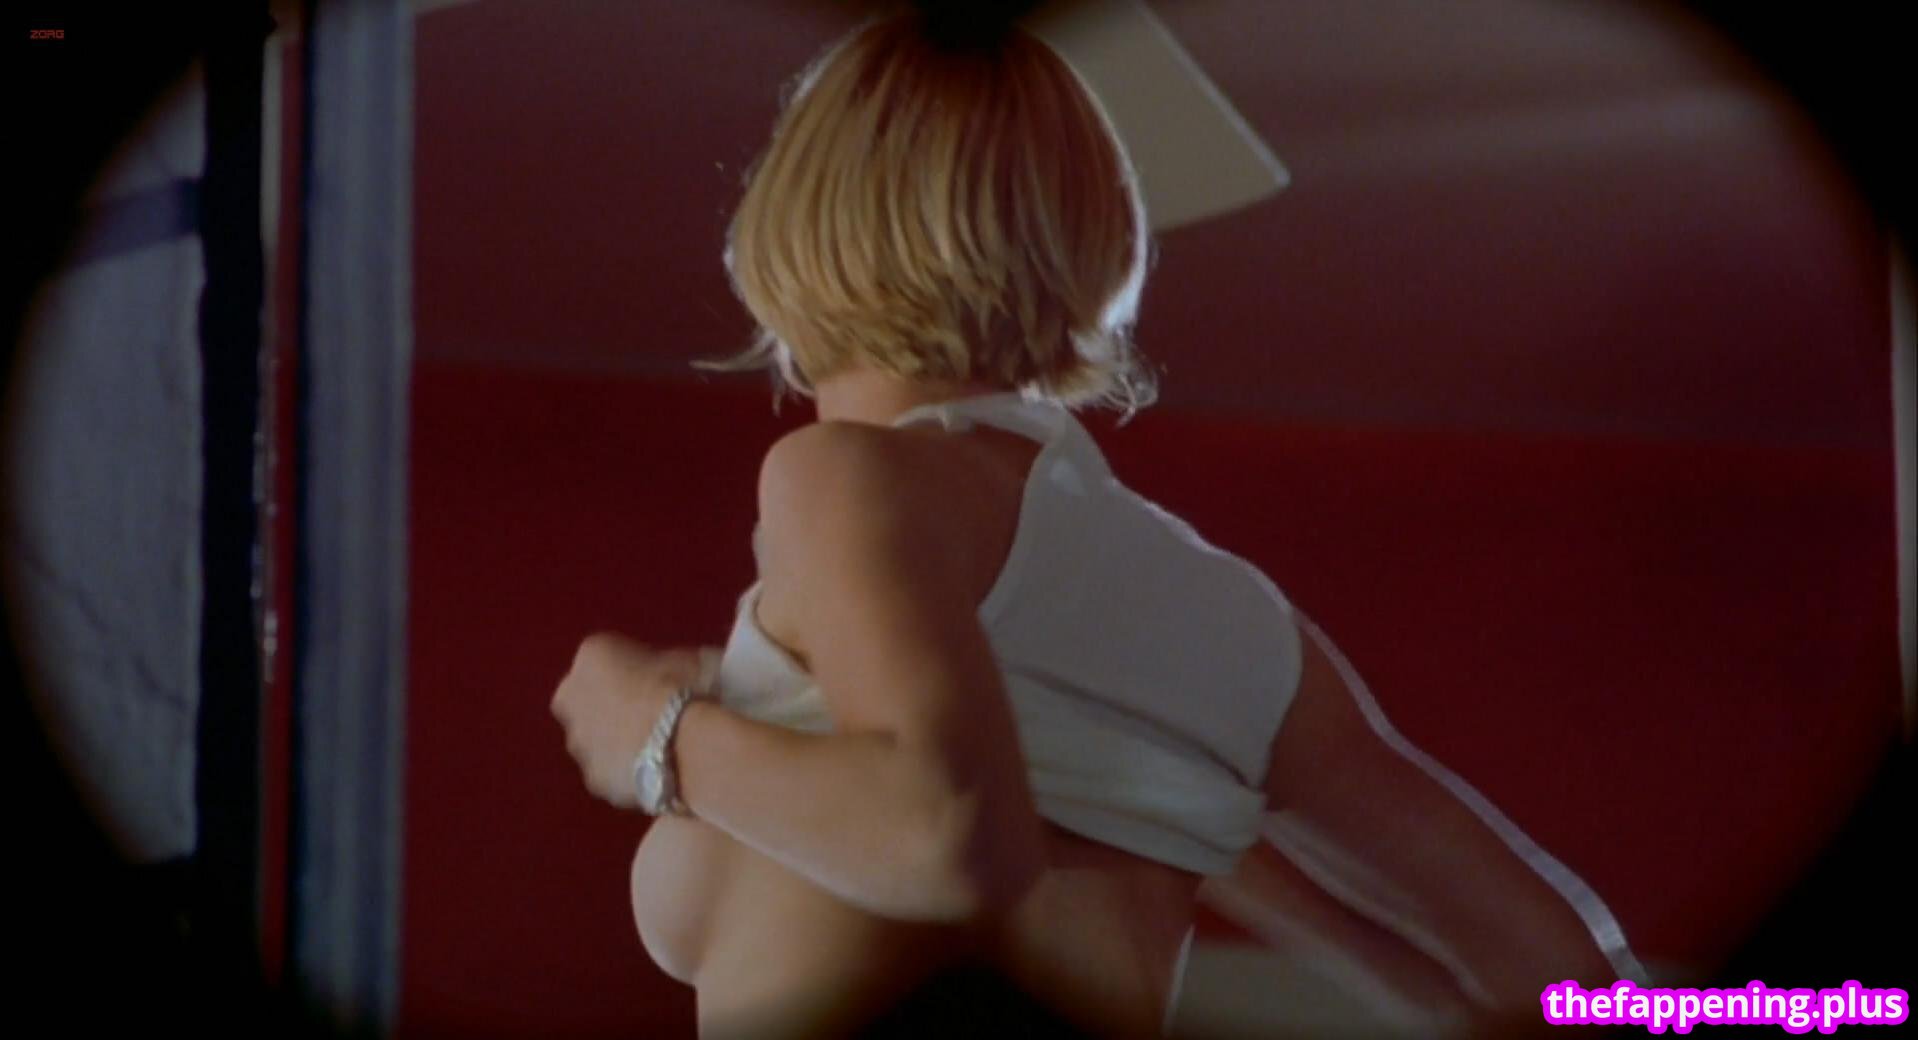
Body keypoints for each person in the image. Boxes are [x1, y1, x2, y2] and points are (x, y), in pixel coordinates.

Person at [550, 10, 1644, 1038]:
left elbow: (943, 835)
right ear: (1094, 236)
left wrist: (652, 731)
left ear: (795, 219)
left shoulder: (842, 475)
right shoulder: (1240, 628)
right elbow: (1561, 970)